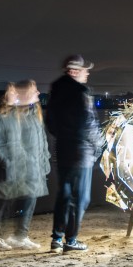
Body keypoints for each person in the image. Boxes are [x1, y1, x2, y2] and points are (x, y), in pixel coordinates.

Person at [46, 55, 103, 254]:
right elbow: (89, 123)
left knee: (64, 194)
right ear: (74, 71)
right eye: (85, 69)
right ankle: (71, 240)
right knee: (81, 198)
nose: (87, 73)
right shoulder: (81, 92)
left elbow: (50, 123)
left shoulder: (55, 89)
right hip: (81, 151)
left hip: (62, 149)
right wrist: (100, 144)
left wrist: (63, 136)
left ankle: (56, 240)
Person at [0, 80, 51, 251]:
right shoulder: (7, 115)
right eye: (34, 90)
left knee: (29, 200)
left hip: (34, 167)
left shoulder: (34, 113)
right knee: (5, 203)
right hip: (16, 169)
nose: (39, 92)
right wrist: (8, 162)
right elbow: (1, 144)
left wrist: (45, 160)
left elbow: (42, 140)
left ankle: (20, 236)